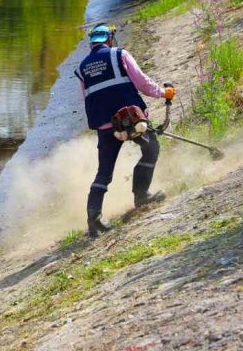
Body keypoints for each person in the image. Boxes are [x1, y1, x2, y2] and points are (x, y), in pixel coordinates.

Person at [74, 24, 176, 238]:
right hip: (131, 118)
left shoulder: (82, 68)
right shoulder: (119, 54)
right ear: (109, 39)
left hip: (105, 125)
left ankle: (94, 221)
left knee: (104, 172)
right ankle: (141, 196)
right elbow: (142, 83)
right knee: (151, 148)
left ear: (91, 42)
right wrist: (163, 93)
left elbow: (87, 98)